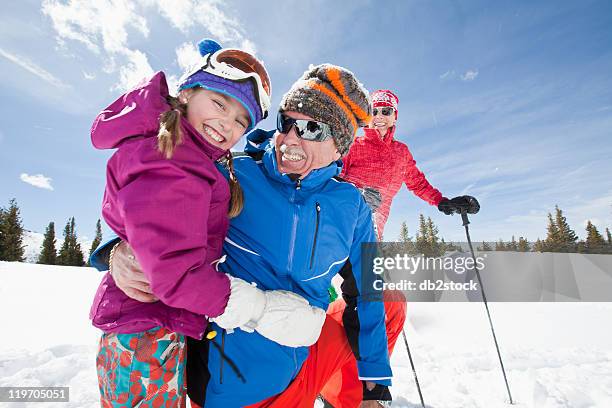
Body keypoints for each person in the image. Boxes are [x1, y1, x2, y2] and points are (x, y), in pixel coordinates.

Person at [101, 64, 403, 407]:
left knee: (390, 299)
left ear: (339, 147)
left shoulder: (350, 206)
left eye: (310, 129)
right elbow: (155, 203)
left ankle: (344, 396)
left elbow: (368, 289)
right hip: (231, 374)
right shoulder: (236, 174)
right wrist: (117, 249)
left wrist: (374, 383)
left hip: (300, 355)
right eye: (286, 123)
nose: (291, 138)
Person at [89, 38, 276, 407]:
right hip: (145, 329)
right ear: (188, 92)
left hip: (154, 321)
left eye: (241, 121)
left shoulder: (185, 149)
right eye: (219, 103)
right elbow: (175, 275)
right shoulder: (173, 157)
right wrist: (256, 306)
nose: (226, 123)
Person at [320, 89, 479, 407]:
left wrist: (443, 202)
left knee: (380, 310)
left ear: (395, 116)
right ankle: (317, 377)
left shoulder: (401, 153)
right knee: (329, 303)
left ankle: (356, 391)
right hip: (335, 232)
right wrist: (358, 194)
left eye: (386, 110)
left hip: (368, 242)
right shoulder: (354, 143)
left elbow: (418, 182)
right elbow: (330, 175)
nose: (380, 115)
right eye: (375, 110)